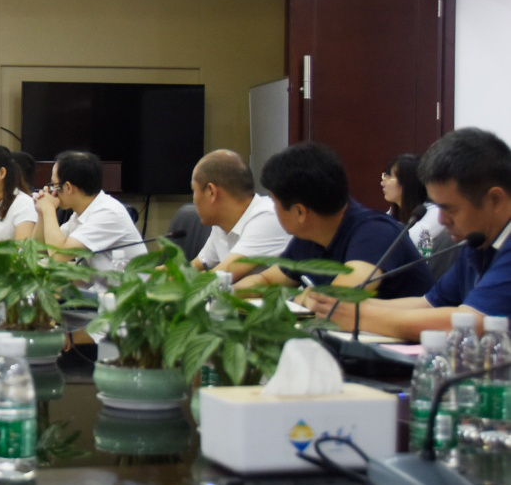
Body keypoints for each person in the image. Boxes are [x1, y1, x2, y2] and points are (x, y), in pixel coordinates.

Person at [302, 128, 511, 341]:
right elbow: (428, 304)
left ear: (494, 200)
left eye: (450, 209)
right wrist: (340, 304)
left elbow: (470, 322)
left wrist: (360, 316)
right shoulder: (477, 242)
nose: (442, 220)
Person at [236, 142, 433, 298]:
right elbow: (266, 280)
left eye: (274, 201)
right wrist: (227, 295)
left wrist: (305, 298)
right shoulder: (309, 237)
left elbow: (339, 300)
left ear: (300, 212)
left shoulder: (375, 233)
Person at [189, 149, 290, 282]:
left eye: (194, 190)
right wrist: (162, 273)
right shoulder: (221, 224)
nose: (194, 199)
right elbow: (195, 266)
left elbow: (217, 278)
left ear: (211, 192)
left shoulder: (267, 216)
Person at [34, 150, 144, 268]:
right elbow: (39, 250)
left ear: (68, 187)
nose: (52, 191)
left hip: (126, 280)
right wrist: (42, 214)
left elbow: (59, 254)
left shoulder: (108, 213)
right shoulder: (80, 213)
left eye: (53, 185)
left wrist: (48, 209)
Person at [381, 153, 443, 253]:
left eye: (389, 176)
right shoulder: (392, 213)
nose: (382, 183)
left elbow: (406, 246)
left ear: (407, 181)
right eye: (384, 176)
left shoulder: (436, 213)